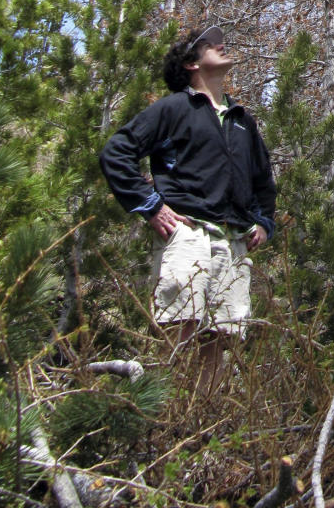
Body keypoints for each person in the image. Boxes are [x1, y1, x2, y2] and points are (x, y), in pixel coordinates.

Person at [99, 25, 276, 389]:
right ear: (191, 64)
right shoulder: (176, 108)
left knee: (221, 338)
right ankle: (162, 419)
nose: (221, 45)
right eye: (209, 44)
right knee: (179, 326)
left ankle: (202, 428)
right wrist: (151, 206)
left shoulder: (242, 120)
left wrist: (263, 223)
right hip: (188, 233)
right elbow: (117, 152)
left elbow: (263, 181)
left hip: (234, 242)